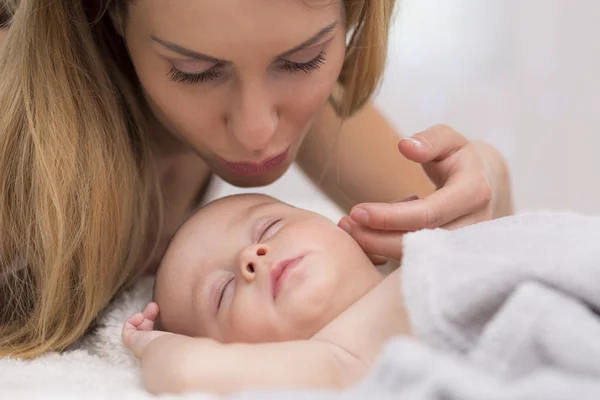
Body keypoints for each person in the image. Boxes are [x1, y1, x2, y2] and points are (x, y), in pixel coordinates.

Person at [0, 0, 512, 358]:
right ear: (107, 11)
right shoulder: (16, 120)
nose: (257, 130)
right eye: (195, 71)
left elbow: (471, 249)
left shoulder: (296, 93)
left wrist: (488, 171)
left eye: (302, 59)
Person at [122, 193, 412, 395]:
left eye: (268, 229)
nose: (249, 257)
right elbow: (186, 370)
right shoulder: (339, 361)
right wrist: (149, 345)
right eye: (223, 293)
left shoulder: (428, 250)